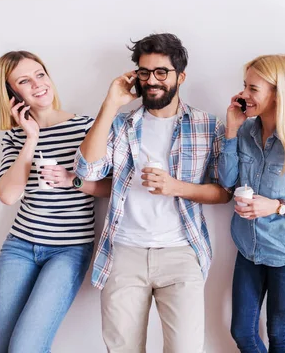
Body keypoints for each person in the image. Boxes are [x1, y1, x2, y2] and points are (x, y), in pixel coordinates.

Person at [74, 33, 231, 353]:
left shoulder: (207, 125)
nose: (152, 80)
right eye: (144, 72)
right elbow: (87, 171)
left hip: (181, 252)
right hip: (124, 253)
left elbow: (224, 192)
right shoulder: (119, 124)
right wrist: (110, 104)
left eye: (162, 72)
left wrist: (177, 187)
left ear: (180, 76)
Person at [0, 50, 112, 353]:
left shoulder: (86, 126)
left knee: (26, 347)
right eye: (24, 81)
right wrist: (31, 138)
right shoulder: (15, 137)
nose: (37, 84)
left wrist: (74, 180)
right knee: (0, 347)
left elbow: (113, 186)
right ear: (11, 93)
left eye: (40, 75)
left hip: (68, 251)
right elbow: (7, 195)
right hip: (19, 246)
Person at [218, 54, 285, 353]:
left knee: (279, 333)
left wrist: (277, 205)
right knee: (242, 331)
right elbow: (227, 181)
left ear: (278, 93)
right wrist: (230, 130)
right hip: (247, 247)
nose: (243, 94)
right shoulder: (243, 132)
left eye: (253, 88)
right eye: (245, 86)